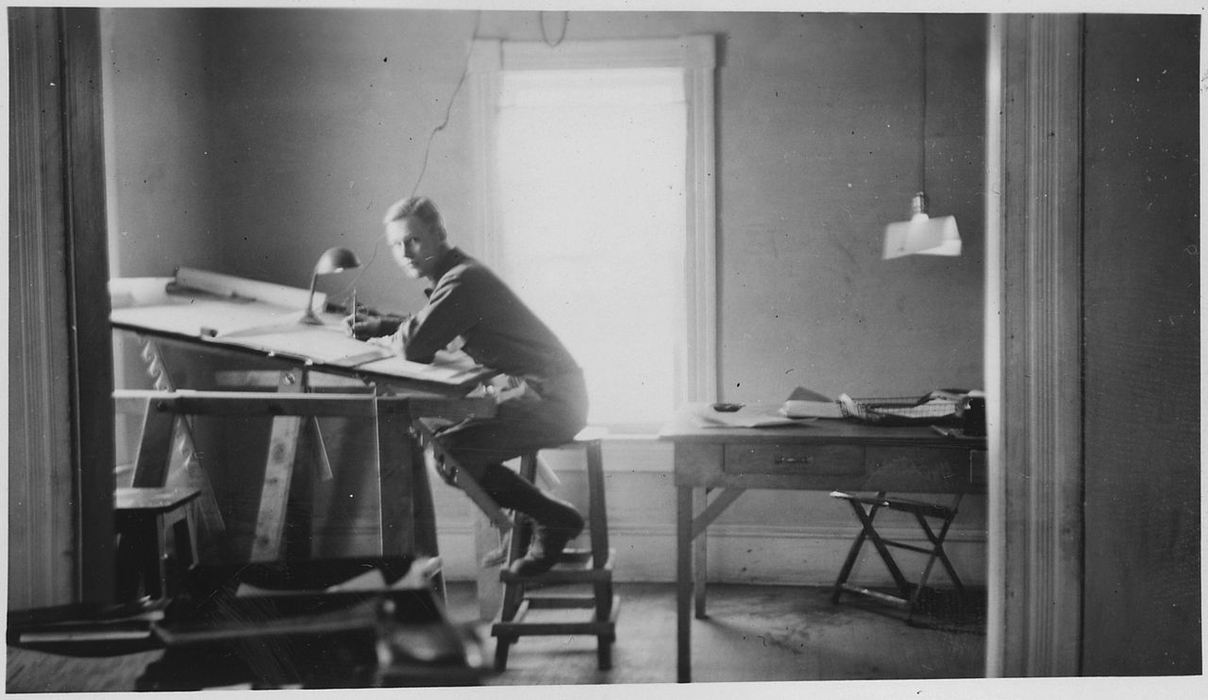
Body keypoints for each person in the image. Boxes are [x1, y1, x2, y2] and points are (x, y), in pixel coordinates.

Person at [347, 196, 587, 576]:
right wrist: (385, 325)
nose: (405, 253)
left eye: (413, 240)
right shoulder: (459, 276)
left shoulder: (463, 280)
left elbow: (416, 345)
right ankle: (530, 522)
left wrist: (391, 336)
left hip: (554, 401)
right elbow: (433, 322)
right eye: (396, 245)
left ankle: (551, 518)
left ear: (439, 234)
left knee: (451, 453)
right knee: (449, 446)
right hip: (545, 393)